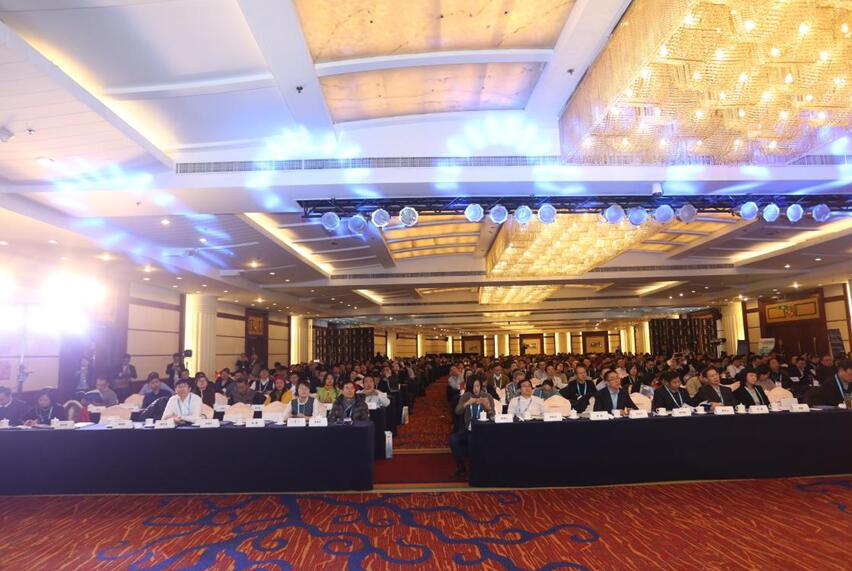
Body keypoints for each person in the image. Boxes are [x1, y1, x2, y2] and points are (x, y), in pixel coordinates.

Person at [450, 377, 495, 477]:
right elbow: (457, 411)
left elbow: (493, 417)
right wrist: (467, 403)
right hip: (469, 429)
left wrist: (488, 407)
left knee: (472, 442)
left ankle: (475, 469)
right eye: (473, 386)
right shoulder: (466, 396)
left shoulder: (487, 396)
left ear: (481, 386)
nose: (476, 389)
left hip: (483, 429)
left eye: (477, 386)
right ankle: (461, 467)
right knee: (453, 439)